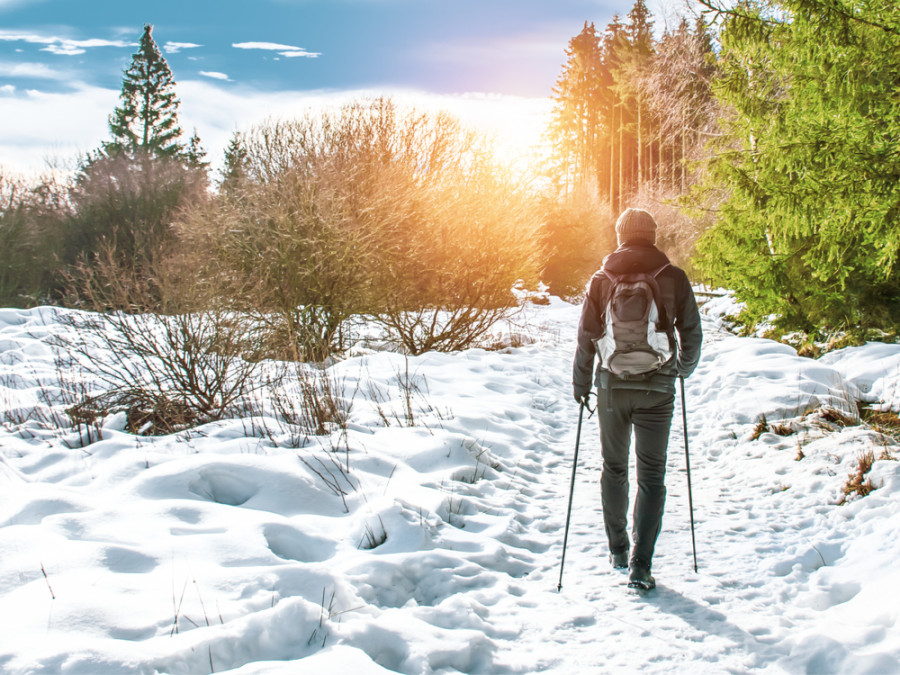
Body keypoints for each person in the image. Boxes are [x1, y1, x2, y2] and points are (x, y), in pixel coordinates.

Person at [572, 208, 702, 590]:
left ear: (620, 236)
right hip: (658, 389)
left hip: (611, 386)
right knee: (652, 476)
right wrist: (682, 369)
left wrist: (581, 384)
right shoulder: (673, 277)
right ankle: (640, 565)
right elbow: (692, 332)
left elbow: (586, 336)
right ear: (653, 236)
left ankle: (616, 548)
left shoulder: (601, 279)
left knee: (613, 468)